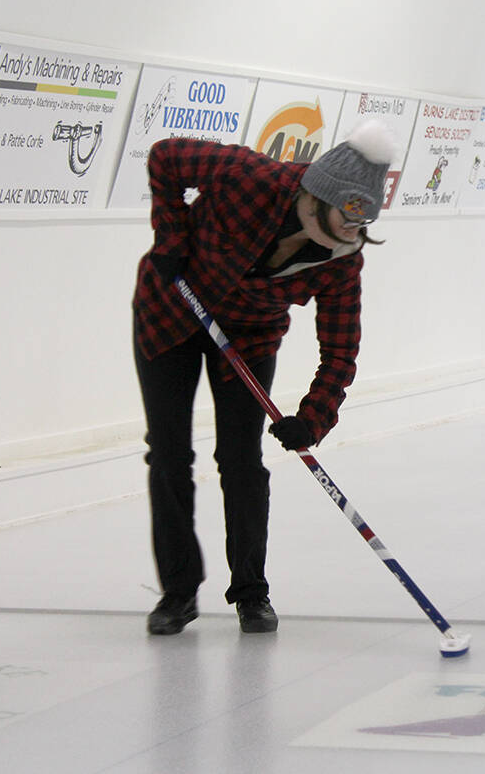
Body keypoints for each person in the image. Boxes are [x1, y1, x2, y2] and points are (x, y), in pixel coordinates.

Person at [133, 119, 397, 635]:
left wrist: (312, 418)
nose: (353, 230)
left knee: (240, 459)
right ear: (317, 195)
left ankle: (251, 592)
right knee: (168, 454)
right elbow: (165, 156)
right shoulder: (249, 175)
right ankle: (178, 592)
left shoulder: (343, 262)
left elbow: (341, 351)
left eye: (364, 220)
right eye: (348, 214)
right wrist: (172, 237)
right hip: (171, 309)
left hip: (248, 339)